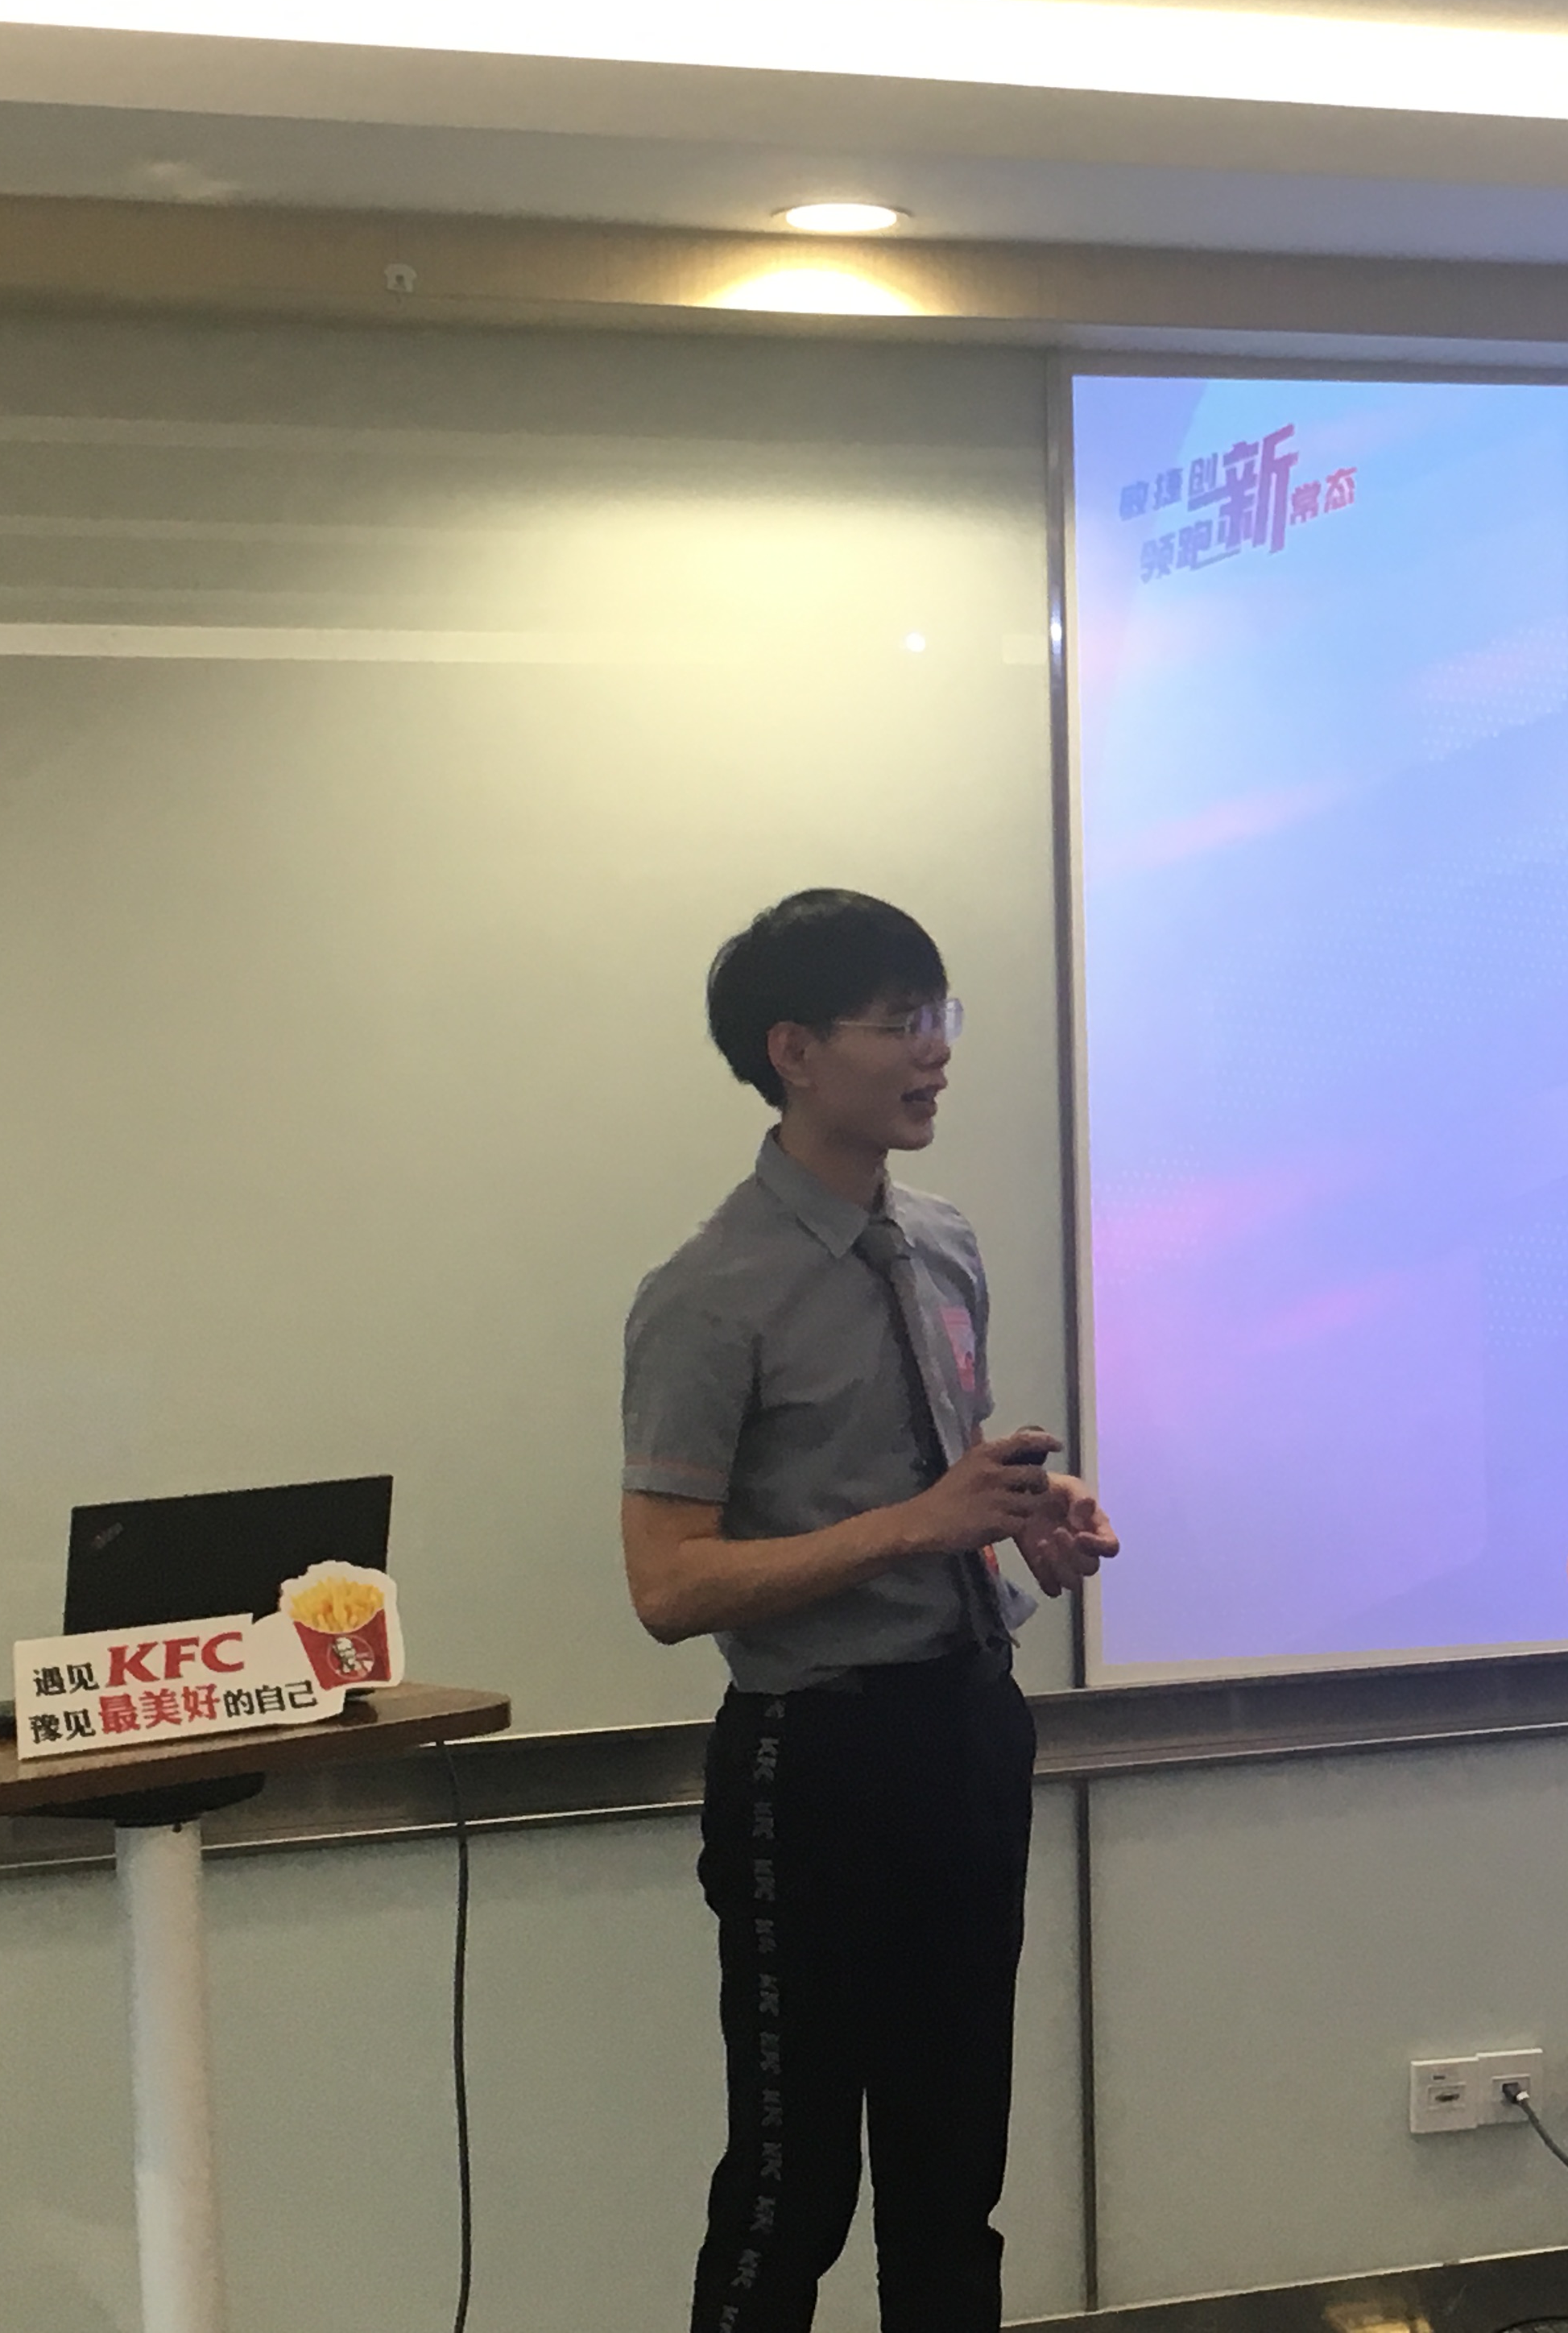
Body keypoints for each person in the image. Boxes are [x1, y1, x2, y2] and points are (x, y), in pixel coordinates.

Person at [618, 887, 1119, 2333]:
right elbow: (668, 1584)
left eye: (938, 1015)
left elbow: (931, 1480)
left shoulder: (943, 1242)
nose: (934, 1051)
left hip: (968, 1731)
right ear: (794, 1051)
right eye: (899, 1022)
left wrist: (1029, 1513)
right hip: (815, 1763)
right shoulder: (707, 1296)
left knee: (953, 2178)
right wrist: (926, 1523)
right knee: (794, 2189)